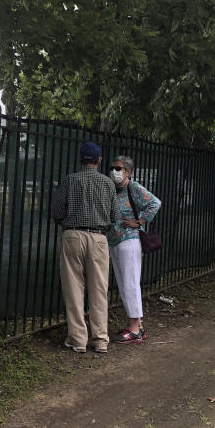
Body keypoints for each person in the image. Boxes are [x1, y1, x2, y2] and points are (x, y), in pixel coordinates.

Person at [51, 142, 119, 354]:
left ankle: (78, 339)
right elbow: (115, 216)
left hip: (73, 235)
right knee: (99, 289)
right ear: (99, 160)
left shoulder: (69, 181)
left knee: (73, 289)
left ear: (80, 159)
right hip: (99, 237)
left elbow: (57, 212)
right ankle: (100, 339)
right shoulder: (108, 184)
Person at [107, 156, 161, 344]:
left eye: (118, 168)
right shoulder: (113, 189)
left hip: (129, 240)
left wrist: (139, 222)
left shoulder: (134, 187)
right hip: (115, 240)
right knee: (124, 283)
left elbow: (155, 203)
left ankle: (134, 328)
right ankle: (136, 324)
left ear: (127, 172)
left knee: (130, 283)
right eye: (113, 167)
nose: (114, 170)